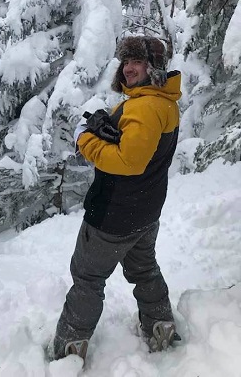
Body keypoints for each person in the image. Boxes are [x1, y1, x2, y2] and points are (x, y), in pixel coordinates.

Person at [53, 35, 182, 361]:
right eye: (125, 62)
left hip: (112, 216)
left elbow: (129, 161)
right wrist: (110, 125)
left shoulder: (144, 107)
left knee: (87, 279)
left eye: (136, 61)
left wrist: (87, 141)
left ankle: (70, 348)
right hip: (145, 212)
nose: (128, 69)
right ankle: (159, 326)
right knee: (144, 269)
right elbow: (142, 148)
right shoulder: (163, 102)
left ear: (152, 67)